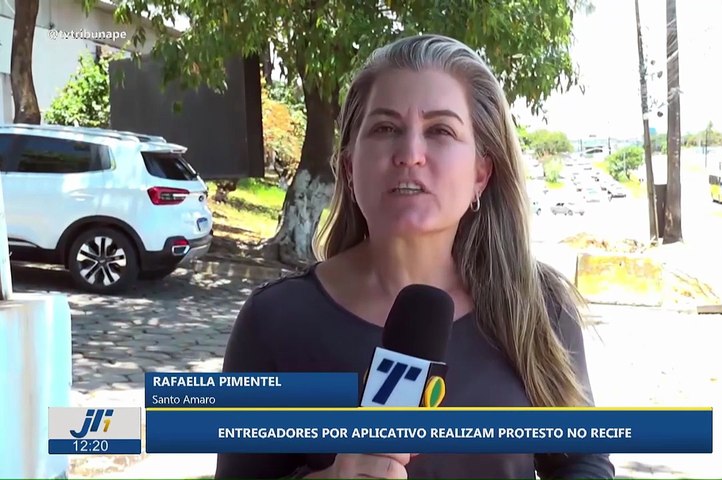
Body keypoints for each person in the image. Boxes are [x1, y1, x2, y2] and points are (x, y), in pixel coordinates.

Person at [215, 34, 615, 479]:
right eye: (385, 128)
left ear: (482, 172)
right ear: (349, 165)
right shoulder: (274, 320)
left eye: (441, 130)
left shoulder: (539, 306)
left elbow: (583, 461)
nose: (409, 155)